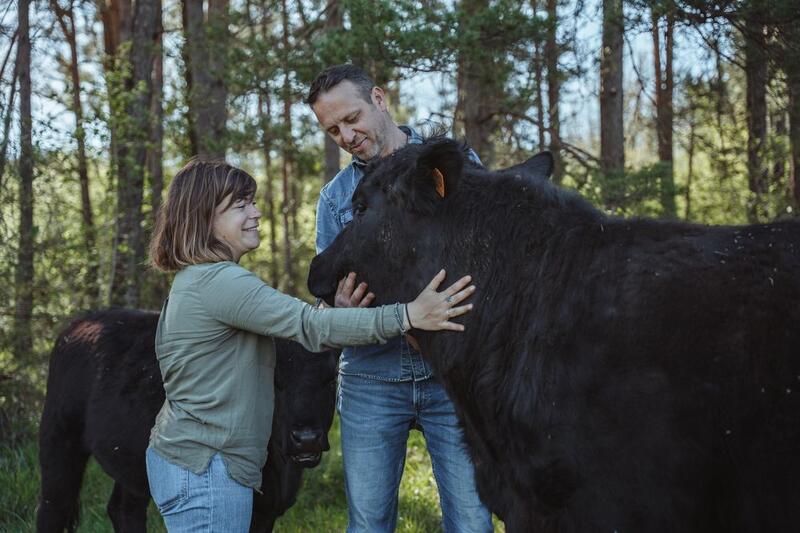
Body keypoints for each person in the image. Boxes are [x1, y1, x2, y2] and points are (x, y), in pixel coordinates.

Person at [145, 158, 476, 532]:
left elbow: (303, 332)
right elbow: (309, 325)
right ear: (203, 219)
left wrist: (343, 316)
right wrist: (409, 315)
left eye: (252, 202)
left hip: (194, 462)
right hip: (206, 470)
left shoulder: (197, 280)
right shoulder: (219, 282)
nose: (256, 213)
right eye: (240, 206)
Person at [307, 64, 493, 532]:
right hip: (371, 377)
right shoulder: (335, 199)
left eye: (352, 119)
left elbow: (490, 270)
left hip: (449, 377)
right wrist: (340, 314)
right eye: (333, 130)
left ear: (380, 99)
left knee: (472, 520)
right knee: (369, 523)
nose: (347, 136)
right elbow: (327, 307)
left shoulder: (454, 167)